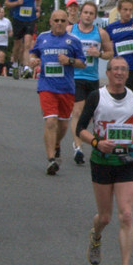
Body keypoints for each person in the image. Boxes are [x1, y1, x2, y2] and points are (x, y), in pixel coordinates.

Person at [76, 57, 133, 265]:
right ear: (108, 73)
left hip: (127, 159)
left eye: (123, 69)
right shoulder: (96, 97)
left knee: (126, 215)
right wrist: (97, 142)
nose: (119, 73)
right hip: (102, 160)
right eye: (115, 69)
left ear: (127, 74)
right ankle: (96, 235)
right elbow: (80, 129)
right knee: (105, 217)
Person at [28, 9, 86, 175]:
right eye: (56, 20)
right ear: (51, 22)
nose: (59, 23)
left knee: (63, 125)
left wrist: (69, 61)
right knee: (51, 121)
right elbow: (33, 53)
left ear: (67, 22)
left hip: (66, 88)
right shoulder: (42, 38)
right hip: (47, 87)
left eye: (62, 20)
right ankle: (51, 159)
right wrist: (33, 60)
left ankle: (57, 144)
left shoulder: (73, 41)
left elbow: (83, 63)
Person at [69, 1, 114, 166]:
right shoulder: (71, 31)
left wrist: (99, 53)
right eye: (85, 12)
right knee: (77, 111)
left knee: (95, 115)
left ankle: (98, 146)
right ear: (80, 14)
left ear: (95, 17)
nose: (87, 16)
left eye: (91, 13)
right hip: (75, 76)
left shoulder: (100, 33)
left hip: (92, 78)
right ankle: (78, 148)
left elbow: (110, 53)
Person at [4, 0, 41, 78]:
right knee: (17, 45)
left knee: (28, 44)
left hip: (30, 19)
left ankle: (26, 67)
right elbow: (6, 3)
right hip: (18, 19)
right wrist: (17, 3)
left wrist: (38, 8)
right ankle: (15, 64)